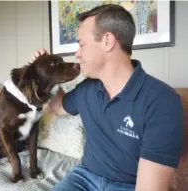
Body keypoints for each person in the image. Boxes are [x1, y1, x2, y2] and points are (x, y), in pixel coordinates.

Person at [30, 4, 184, 191]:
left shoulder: (162, 102)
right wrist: (47, 74)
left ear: (107, 41)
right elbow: (59, 107)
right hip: (84, 177)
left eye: (81, 44)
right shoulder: (86, 89)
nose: (77, 53)